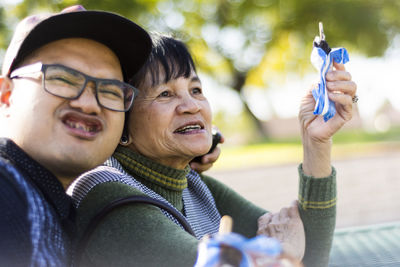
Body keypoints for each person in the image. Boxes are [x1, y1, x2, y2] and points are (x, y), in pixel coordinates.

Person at [68, 33, 357, 267]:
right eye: (165, 94)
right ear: (121, 120)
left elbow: (313, 257)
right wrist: (280, 251)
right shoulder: (106, 195)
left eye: (196, 90)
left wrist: (315, 142)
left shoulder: (190, 185)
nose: (192, 106)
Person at [0, 5, 153, 266]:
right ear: (6, 95)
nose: (89, 104)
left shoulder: (50, 202)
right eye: (64, 78)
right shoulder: (7, 192)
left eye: (111, 90)